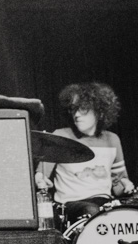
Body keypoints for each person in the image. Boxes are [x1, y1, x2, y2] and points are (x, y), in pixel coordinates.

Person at [35, 82, 135, 226]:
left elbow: (118, 185)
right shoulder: (60, 136)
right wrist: (40, 179)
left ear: (100, 111)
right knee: (92, 211)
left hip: (104, 202)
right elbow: (41, 175)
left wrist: (125, 184)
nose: (76, 115)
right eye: (73, 109)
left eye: (83, 109)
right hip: (70, 204)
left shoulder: (112, 140)